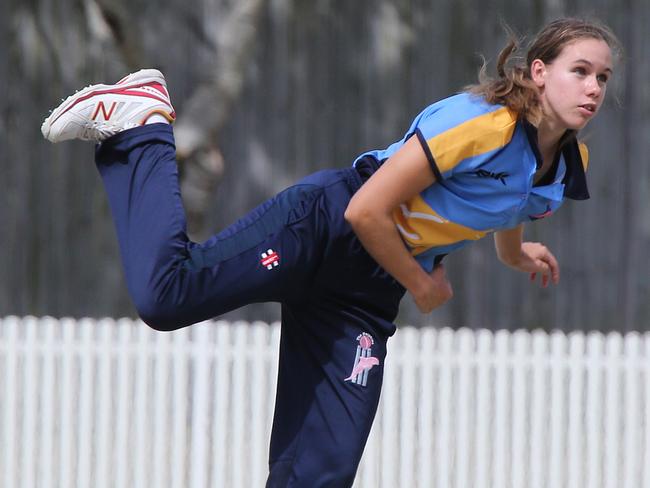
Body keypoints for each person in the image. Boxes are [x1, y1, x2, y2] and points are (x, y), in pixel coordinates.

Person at [42, 17, 618, 488]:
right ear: (539, 74)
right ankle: (142, 124)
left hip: (366, 289)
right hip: (321, 229)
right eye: (581, 71)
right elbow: (365, 211)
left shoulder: (569, 168)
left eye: (603, 78)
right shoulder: (483, 124)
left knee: (323, 472)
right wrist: (420, 285)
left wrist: (515, 256)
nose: (593, 88)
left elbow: (511, 205)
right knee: (167, 295)